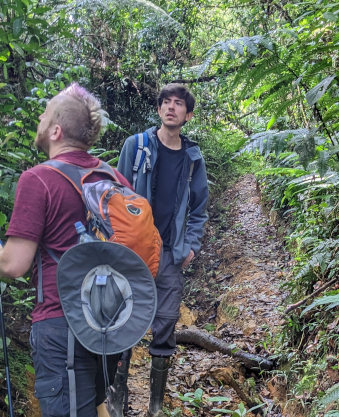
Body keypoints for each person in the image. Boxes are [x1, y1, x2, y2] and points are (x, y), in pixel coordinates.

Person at [0, 83, 129, 417]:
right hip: (110, 324)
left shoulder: (38, 179)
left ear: (56, 130)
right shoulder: (113, 177)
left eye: (45, 114)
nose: (40, 117)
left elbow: (14, 264)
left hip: (62, 326)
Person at [108, 83, 209, 417]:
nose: (171, 108)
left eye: (178, 104)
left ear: (188, 114)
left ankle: (155, 404)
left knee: (165, 322)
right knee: (120, 318)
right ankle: (117, 394)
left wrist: (192, 246)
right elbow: (115, 197)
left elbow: (199, 209)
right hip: (133, 251)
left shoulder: (193, 158)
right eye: (166, 102)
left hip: (171, 253)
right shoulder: (135, 146)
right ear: (159, 109)